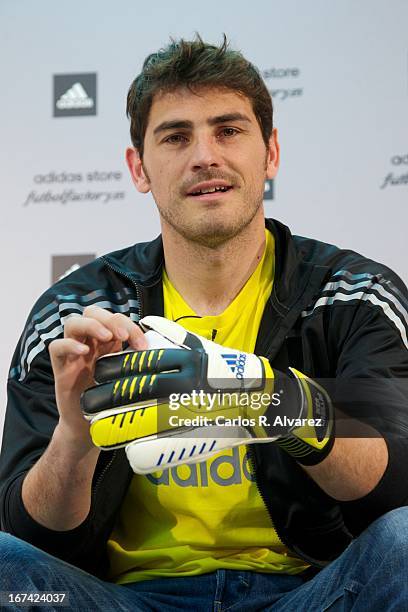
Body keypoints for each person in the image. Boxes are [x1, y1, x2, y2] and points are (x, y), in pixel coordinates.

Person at [1, 34, 408, 612]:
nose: (204, 156)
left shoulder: (354, 296)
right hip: (126, 601)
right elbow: (30, 540)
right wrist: (75, 437)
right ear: (139, 167)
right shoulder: (72, 314)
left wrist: (267, 398)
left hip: (315, 594)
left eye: (229, 130)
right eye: (175, 137)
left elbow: (394, 489)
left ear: (269, 153)